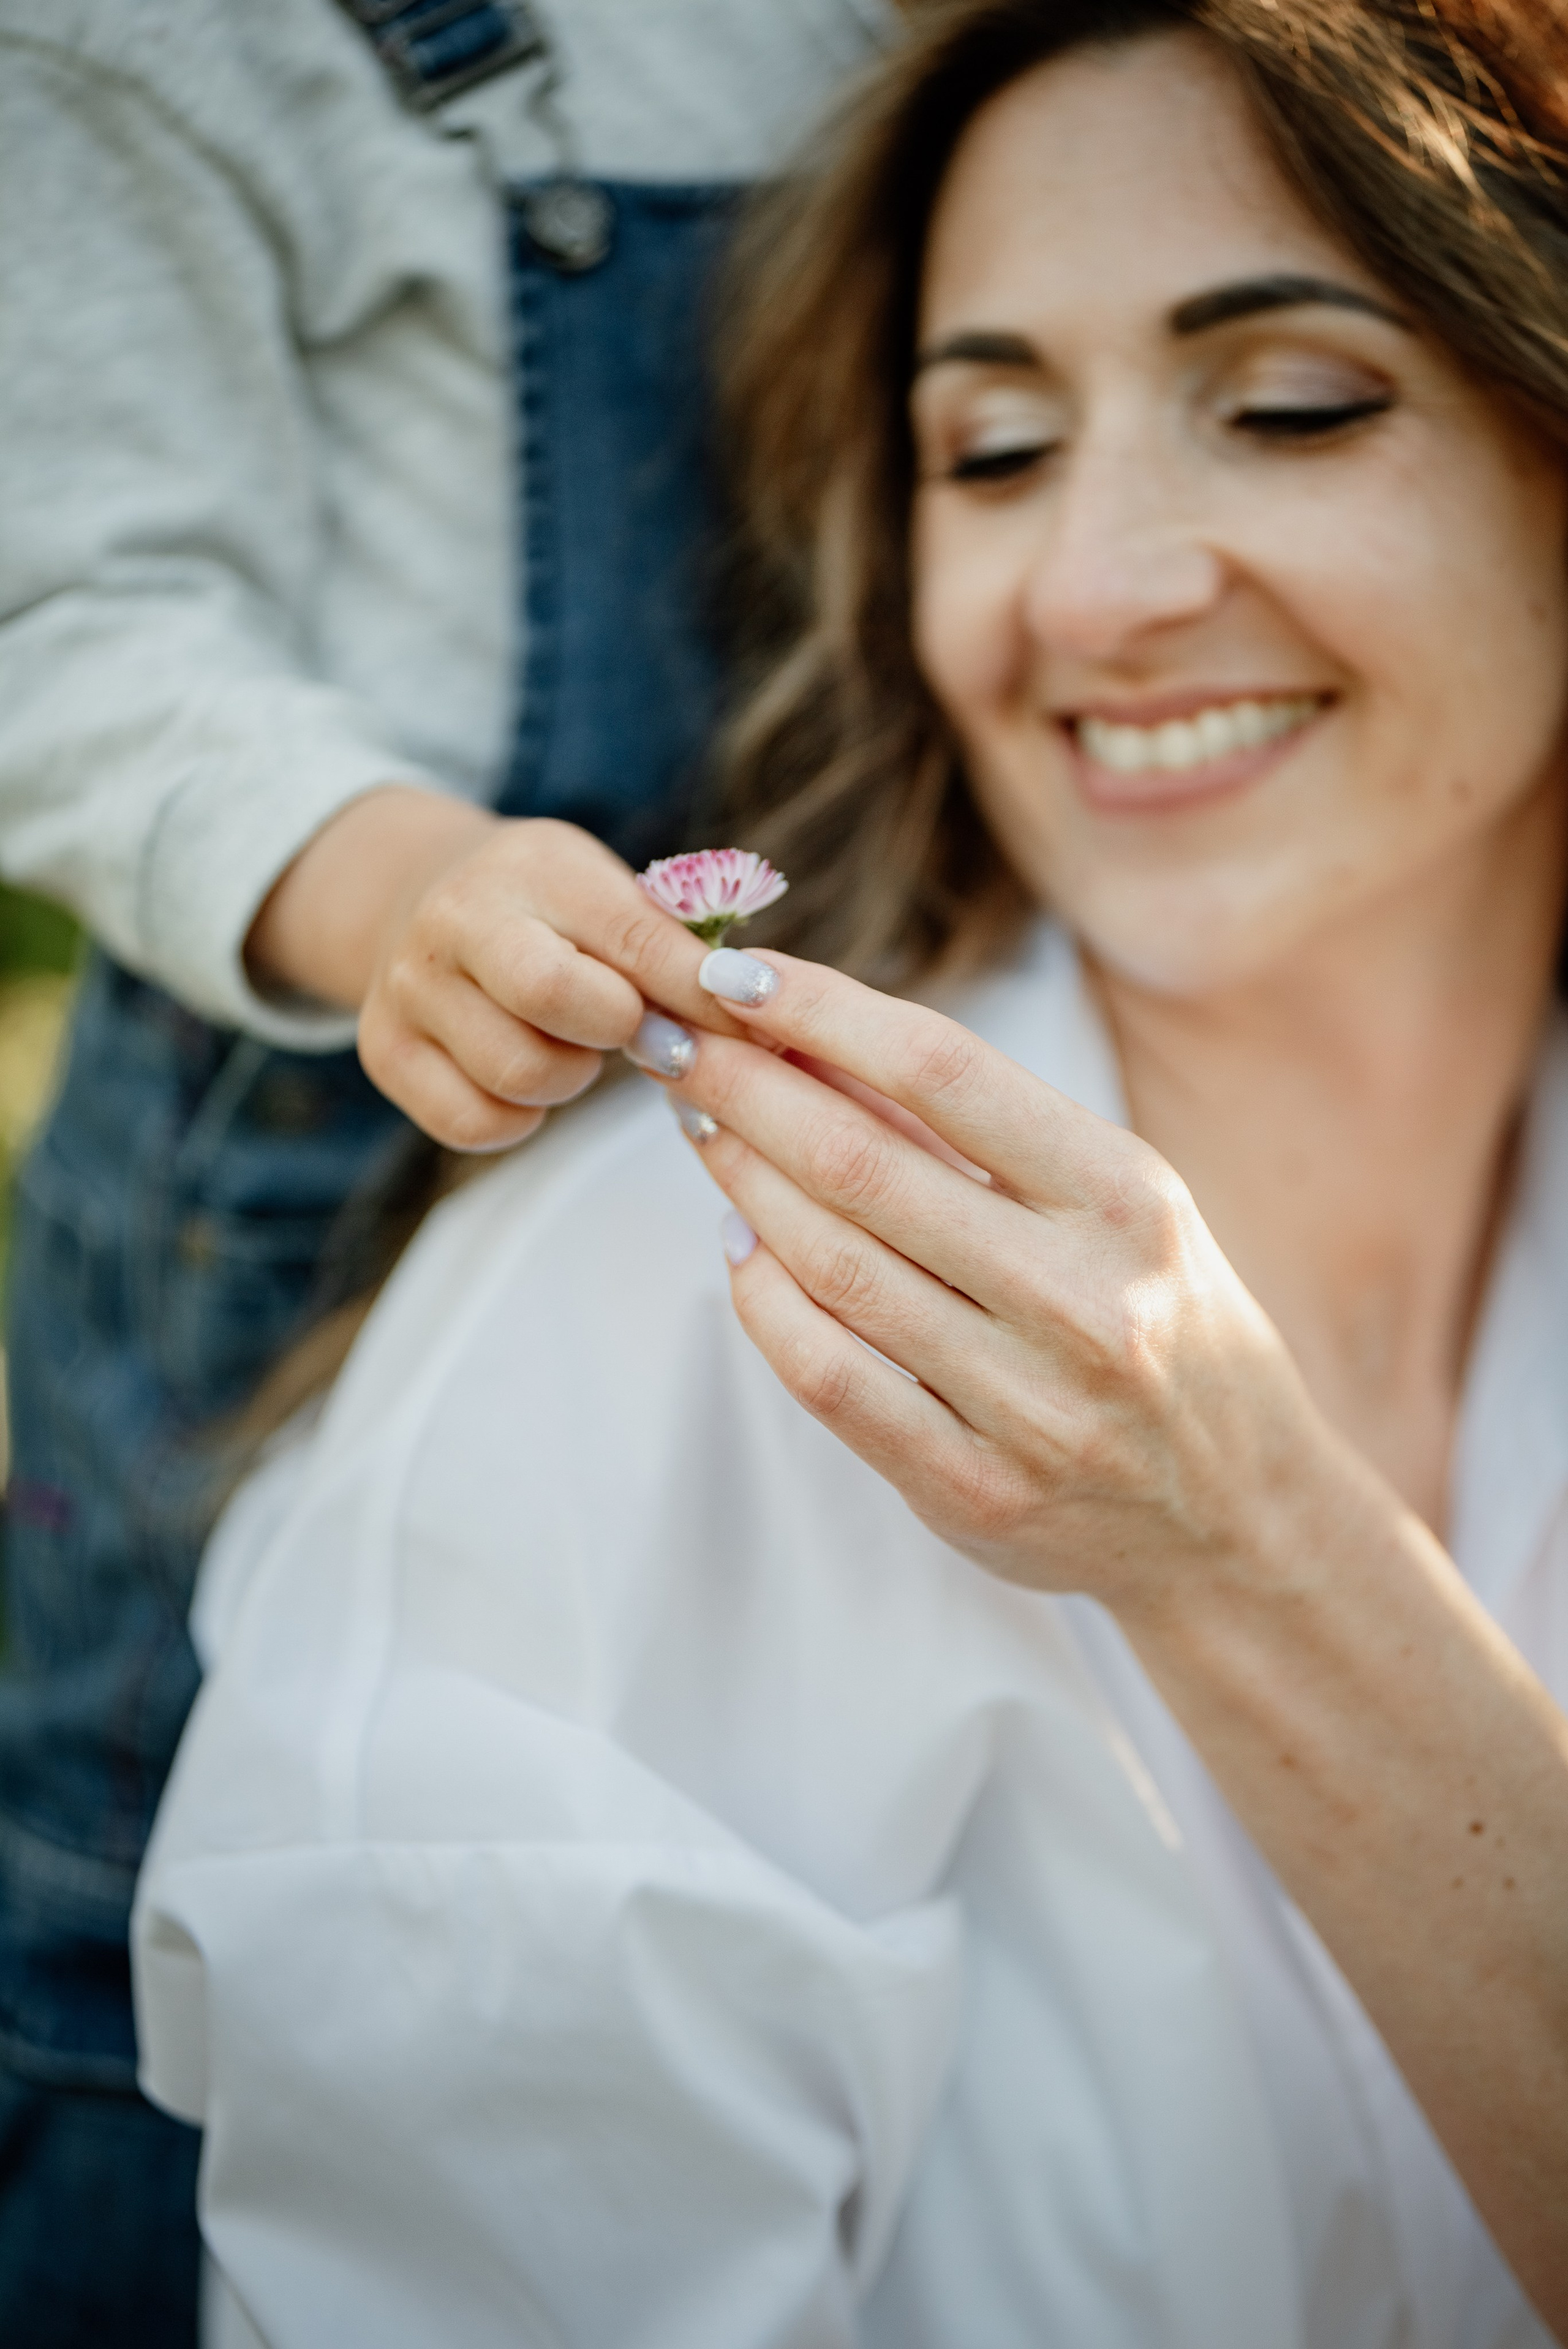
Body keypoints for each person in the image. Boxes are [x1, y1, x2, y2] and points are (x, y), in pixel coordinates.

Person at [134, 0, 1568, 2341]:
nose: (1086, 589)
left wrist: (1252, 1544)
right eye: (989, 452)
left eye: (1292, 403)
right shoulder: (632, 1331)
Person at [0, 1, 893, 2337]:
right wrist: (404, 884)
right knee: (191, 1898)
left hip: (827, 1045)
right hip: (306, 1117)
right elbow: (68, 618)